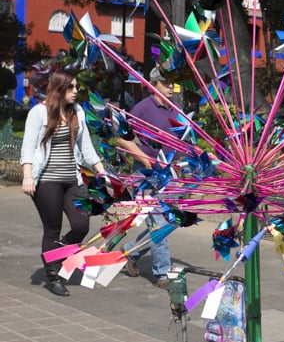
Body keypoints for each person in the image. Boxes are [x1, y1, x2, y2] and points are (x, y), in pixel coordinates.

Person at [20, 70, 105, 296]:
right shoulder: (39, 112)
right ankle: (53, 274)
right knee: (53, 229)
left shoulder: (77, 112)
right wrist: (28, 175)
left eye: (77, 88)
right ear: (59, 88)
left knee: (81, 225)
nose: (76, 92)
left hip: (72, 179)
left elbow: (86, 147)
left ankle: (54, 255)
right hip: (47, 180)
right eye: (71, 87)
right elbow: (28, 146)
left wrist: (102, 172)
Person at [118, 67, 179, 287]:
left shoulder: (175, 108)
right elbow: (123, 138)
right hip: (146, 174)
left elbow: (182, 138)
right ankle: (162, 272)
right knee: (159, 221)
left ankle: (131, 252)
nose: (171, 86)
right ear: (154, 85)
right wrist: (144, 159)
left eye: (172, 82)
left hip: (171, 174)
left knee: (172, 220)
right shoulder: (142, 109)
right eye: (165, 82)